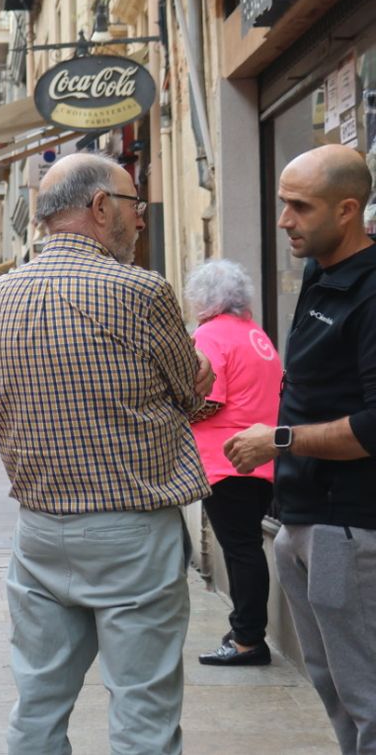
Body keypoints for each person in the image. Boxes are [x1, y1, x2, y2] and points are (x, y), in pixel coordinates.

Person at [0, 153, 213, 755]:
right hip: (130, 528)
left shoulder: (3, 293)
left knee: (37, 703)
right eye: (135, 205)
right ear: (101, 207)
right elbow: (190, 385)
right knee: (143, 706)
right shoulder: (140, 289)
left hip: (38, 528)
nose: (140, 220)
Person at [224, 144, 376, 750]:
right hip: (302, 517)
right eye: (281, 202)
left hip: (349, 528)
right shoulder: (319, 273)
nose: (284, 219)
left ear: (347, 211)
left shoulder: (369, 293)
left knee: (366, 694)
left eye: (298, 206)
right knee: (335, 689)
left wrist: (278, 439)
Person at [182, 260, 280, 668]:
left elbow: (208, 400)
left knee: (240, 551)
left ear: (205, 298)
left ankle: (247, 639)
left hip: (225, 460)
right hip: (260, 458)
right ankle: (245, 629)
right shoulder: (256, 335)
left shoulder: (209, 335)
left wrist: (174, 410)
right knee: (246, 548)